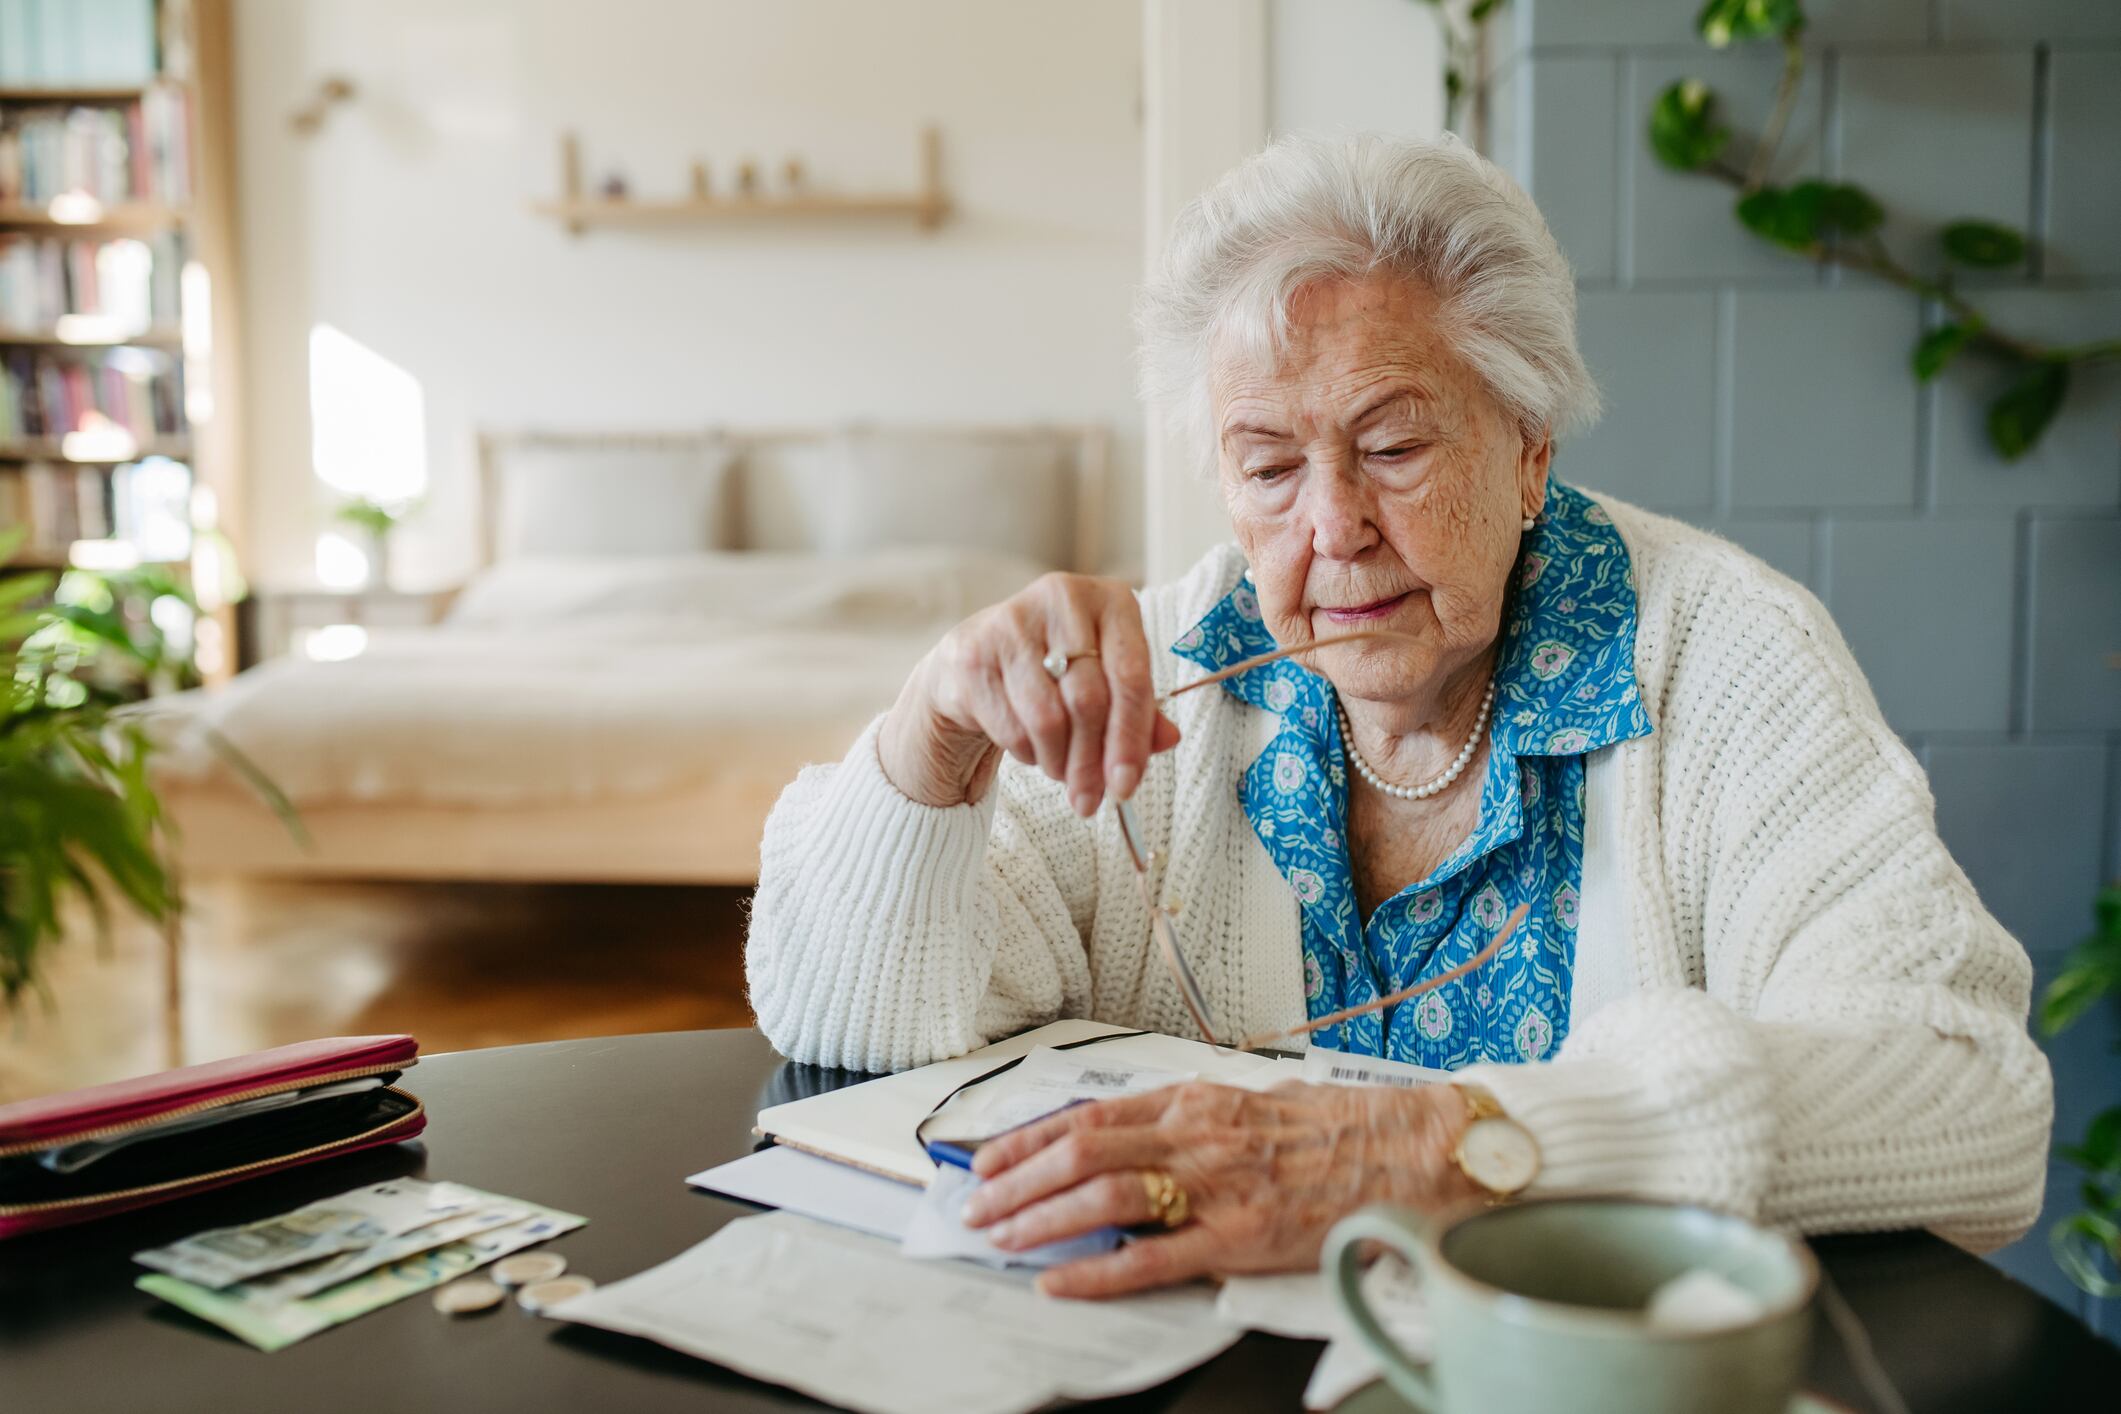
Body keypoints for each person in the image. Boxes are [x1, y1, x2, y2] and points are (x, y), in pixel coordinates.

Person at [744, 133, 2052, 1299]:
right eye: (1266, 464)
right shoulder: (1167, 682)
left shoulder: (1719, 657)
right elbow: (855, 1019)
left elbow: (1970, 1101)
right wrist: (930, 738)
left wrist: (1462, 1143)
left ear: (1528, 445)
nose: (1331, 527)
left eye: (1391, 445)